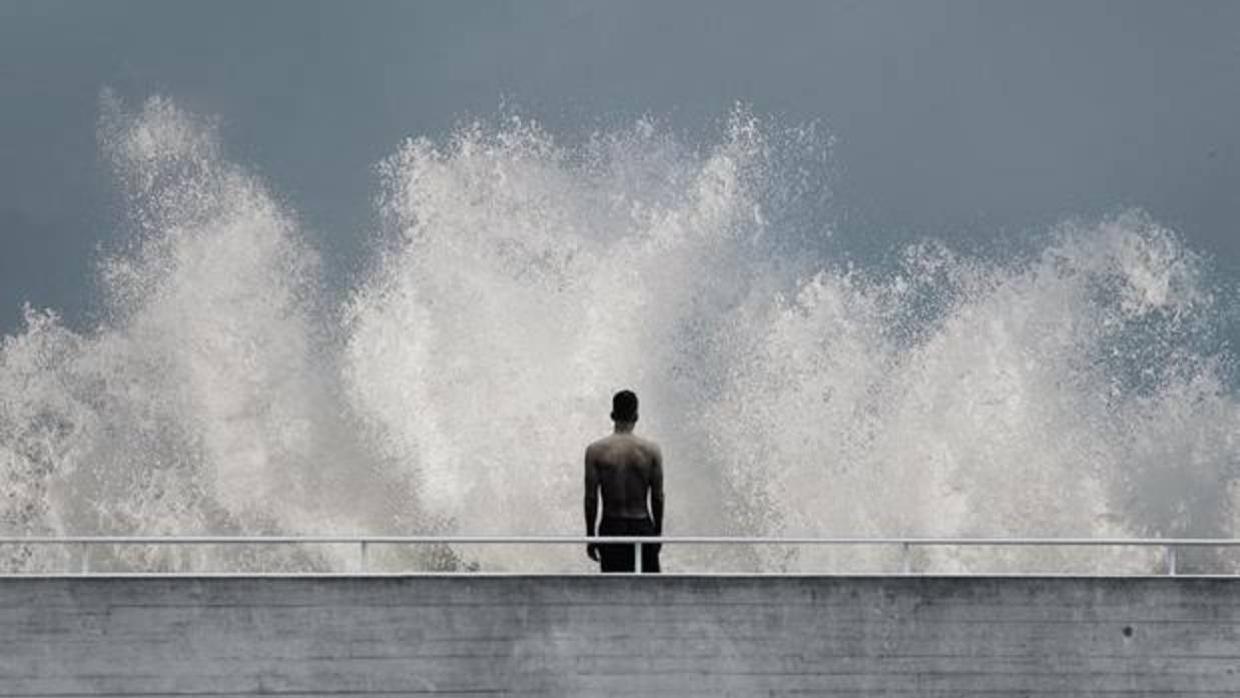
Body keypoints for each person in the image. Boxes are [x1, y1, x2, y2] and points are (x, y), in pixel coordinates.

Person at [584, 390, 665, 573]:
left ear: (612, 415)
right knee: (649, 588)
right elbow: (657, 497)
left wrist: (591, 537)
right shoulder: (651, 451)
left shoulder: (595, 451)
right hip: (642, 525)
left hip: (611, 525)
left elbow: (591, 499)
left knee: (614, 590)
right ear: (636, 416)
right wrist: (657, 534)